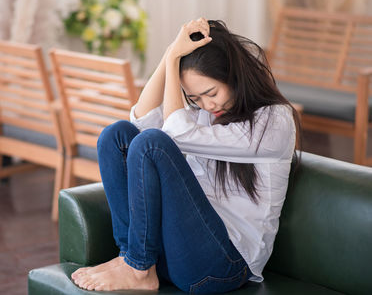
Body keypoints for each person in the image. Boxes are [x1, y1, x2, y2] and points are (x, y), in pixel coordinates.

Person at [71, 17, 300, 294]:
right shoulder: (204, 113)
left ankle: (138, 267)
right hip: (179, 254)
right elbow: (140, 119)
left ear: (234, 75)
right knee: (117, 135)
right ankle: (132, 259)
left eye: (210, 93)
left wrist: (173, 63)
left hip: (222, 266)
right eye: (195, 99)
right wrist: (171, 53)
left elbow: (172, 134)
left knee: (152, 143)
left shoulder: (274, 121)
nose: (207, 105)